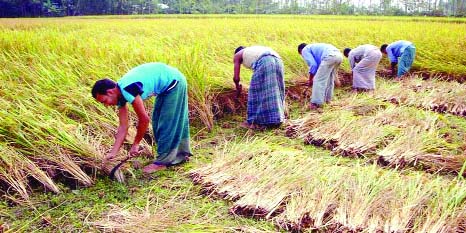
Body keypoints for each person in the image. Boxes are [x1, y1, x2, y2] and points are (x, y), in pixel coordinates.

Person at [91, 62, 191, 174]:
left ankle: (163, 162)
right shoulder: (120, 96)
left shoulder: (127, 89)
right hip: (165, 88)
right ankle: (180, 155)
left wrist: (135, 144)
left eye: (104, 101)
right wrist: (113, 152)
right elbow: (123, 126)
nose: (106, 105)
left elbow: (144, 120)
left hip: (174, 82)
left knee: (167, 123)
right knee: (157, 121)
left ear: (110, 92)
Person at [233, 45, 285, 129]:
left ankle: (253, 122)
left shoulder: (237, 55)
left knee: (255, 92)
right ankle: (276, 119)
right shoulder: (254, 50)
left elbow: (236, 78)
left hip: (265, 61)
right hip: (278, 61)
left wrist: (237, 87)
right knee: (274, 90)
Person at [298, 43, 343, 110]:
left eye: (301, 54)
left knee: (318, 80)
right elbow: (319, 67)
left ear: (300, 51)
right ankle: (328, 100)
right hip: (339, 56)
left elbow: (313, 65)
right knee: (329, 79)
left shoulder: (305, 50)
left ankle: (316, 103)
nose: (303, 56)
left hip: (329, 56)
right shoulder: (315, 47)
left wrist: (310, 79)